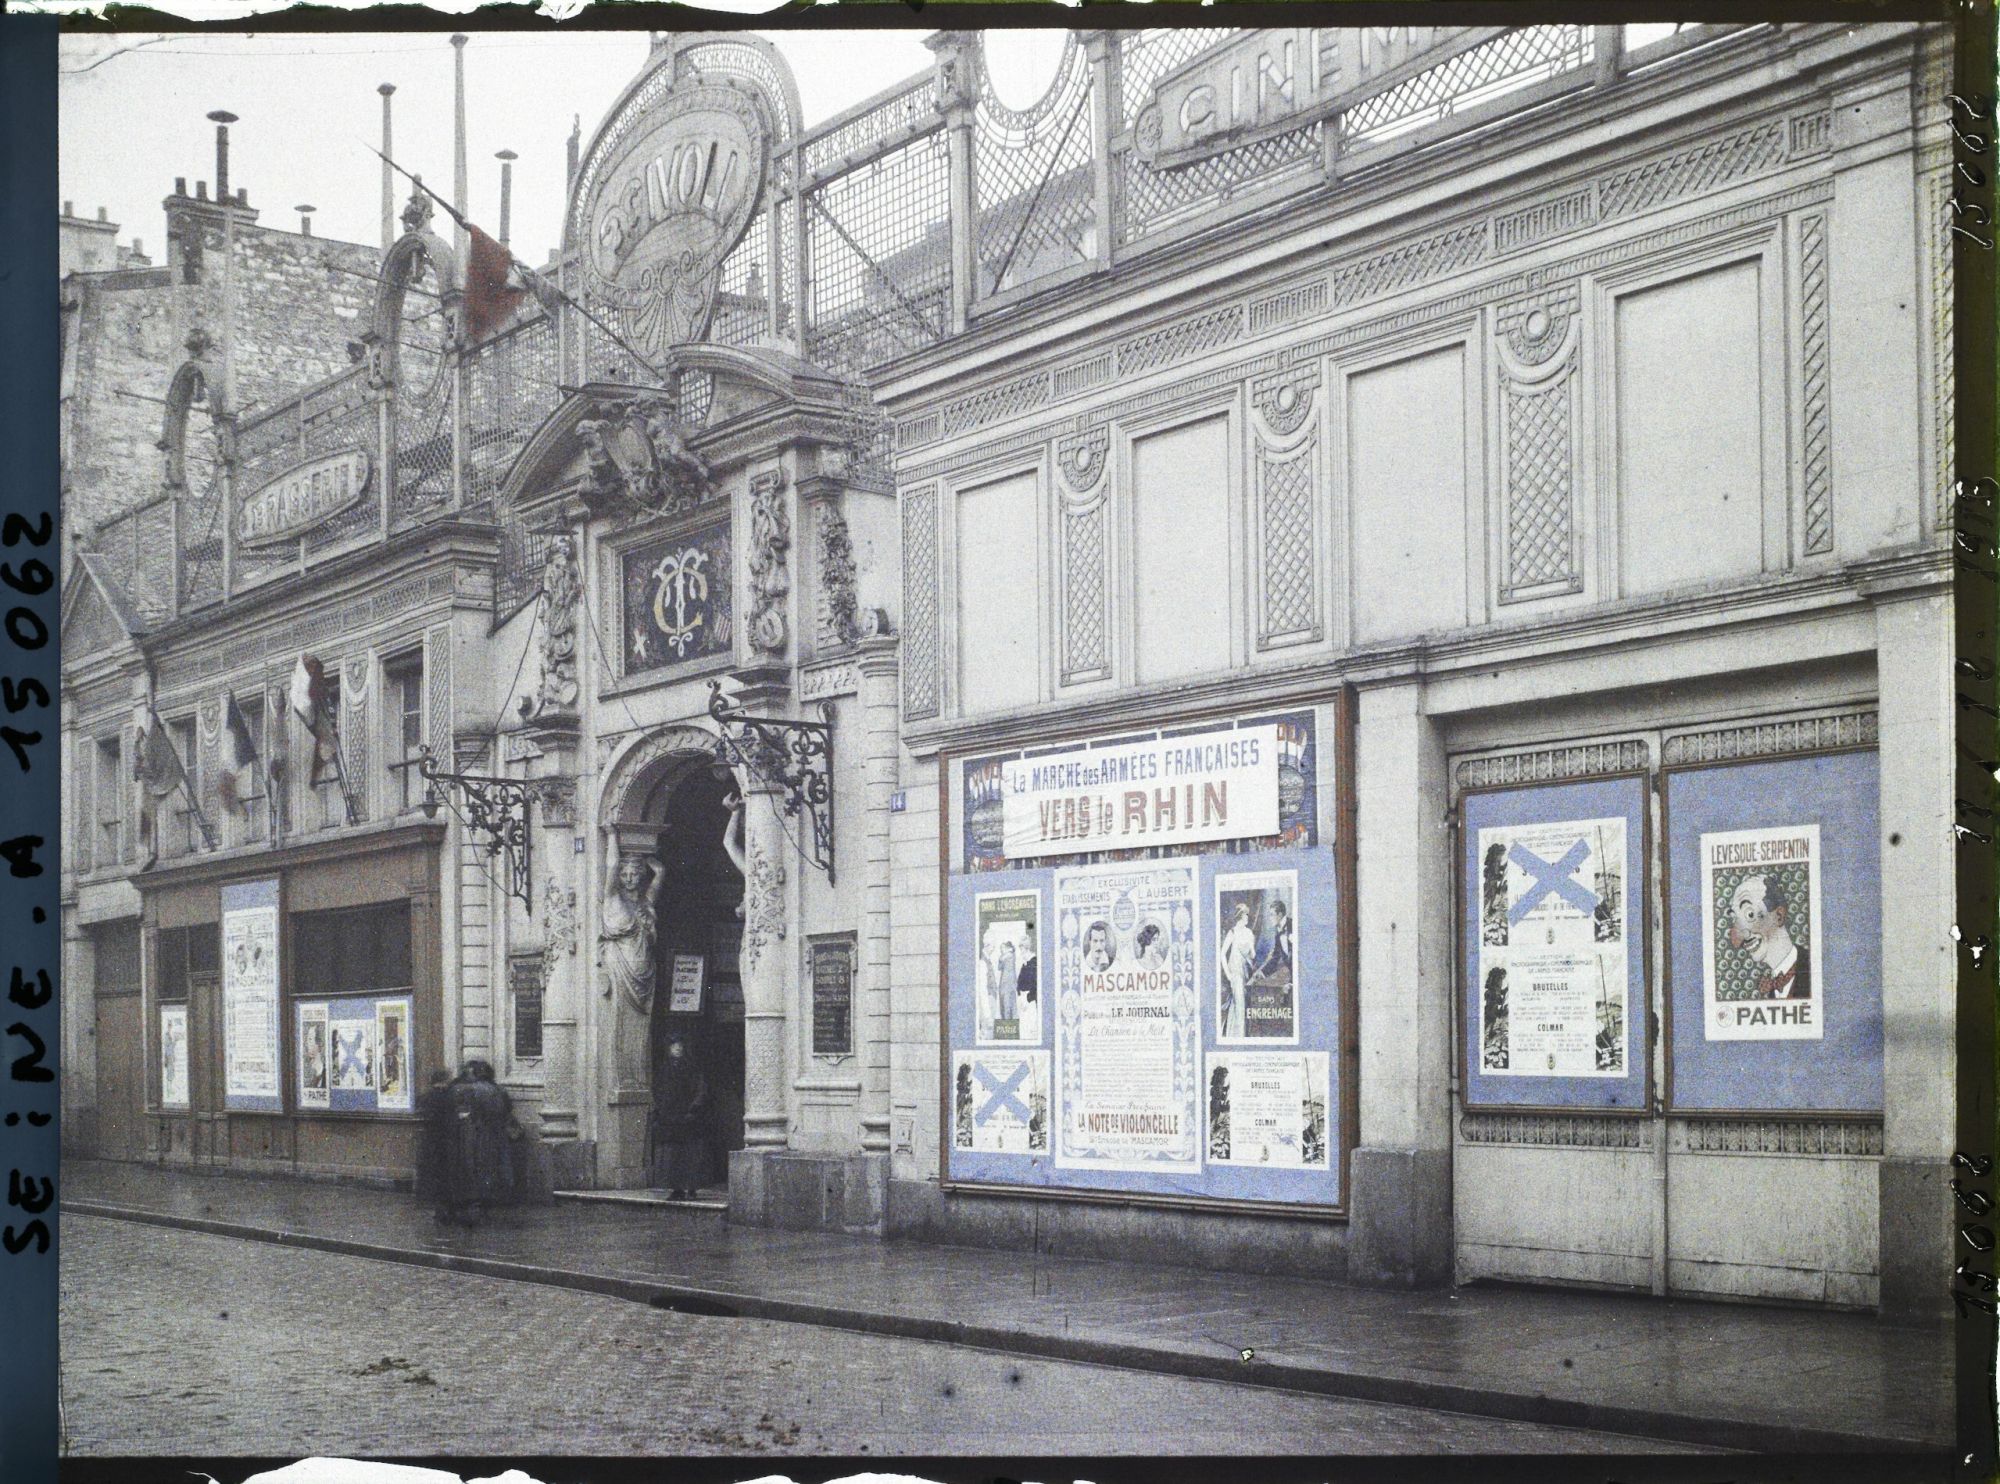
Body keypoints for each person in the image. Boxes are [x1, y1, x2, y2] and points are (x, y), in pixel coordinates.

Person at [599, 843, 666, 1090]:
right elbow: (612, 865)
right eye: (625, 874)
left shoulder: (645, 903)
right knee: (621, 1021)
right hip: (622, 969)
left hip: (644, 972)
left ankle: (634, 1080)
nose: (629, 879)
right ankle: (625, 1080)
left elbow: (660, 875)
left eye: (635, 874)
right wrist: (612, 835)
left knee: (641, 1028)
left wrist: (650, 863)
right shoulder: (612, 898)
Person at [1726, 873, 1812, 1001]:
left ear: (1779, 916)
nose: (1741, 936)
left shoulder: (1812, 968)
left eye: (1750, 914)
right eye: (1736, 919)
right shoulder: (1771, 988)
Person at [457, 1059, 515, 1226]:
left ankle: (479, 1206)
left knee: (477, 1168)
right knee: (495, 1169)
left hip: (478, 1135)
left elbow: (468, 1114)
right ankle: (489, 1204)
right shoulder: (500, 1090)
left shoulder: (471, 1090)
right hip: (498, 1135)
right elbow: (508, 1111)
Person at [654, 1033, 711, 1200]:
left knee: (691, 1154)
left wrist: (693, 1109)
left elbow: (701, 1089)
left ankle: (692, 1188)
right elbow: (658, 1090)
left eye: (679, 1045)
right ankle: (677, 1188)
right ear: (668, 1048)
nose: (677, 1048)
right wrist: (661, 1109)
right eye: (673, 1045)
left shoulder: (691, 1067)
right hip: (671, 1119)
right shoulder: (664, 1069)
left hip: (689, 1118)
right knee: (674, 1156)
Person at [418, 1069, 464, 1225]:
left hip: (431, 1142)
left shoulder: (426, 1097)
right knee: (449, 1176)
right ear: (444, 1080)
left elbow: (424, 1117)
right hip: (448, 1141)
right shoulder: (451, 1097)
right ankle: (449, 1210)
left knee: (435, 1176)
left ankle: (439, 1210)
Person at [1218, 902, 1254, 1039]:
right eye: (1246, 915)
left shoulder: (1249, 933)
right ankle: (1239, 1037)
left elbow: (1253, 955)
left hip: (1246, 973)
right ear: (1241, 916)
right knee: (1239, 1005)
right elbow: (1222, 954)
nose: (1248, 918)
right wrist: (1228, 975)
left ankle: (1233, 1035)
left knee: (1240, 1006)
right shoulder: (1232, 932)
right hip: (1235, 975)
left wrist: (1250, 946)